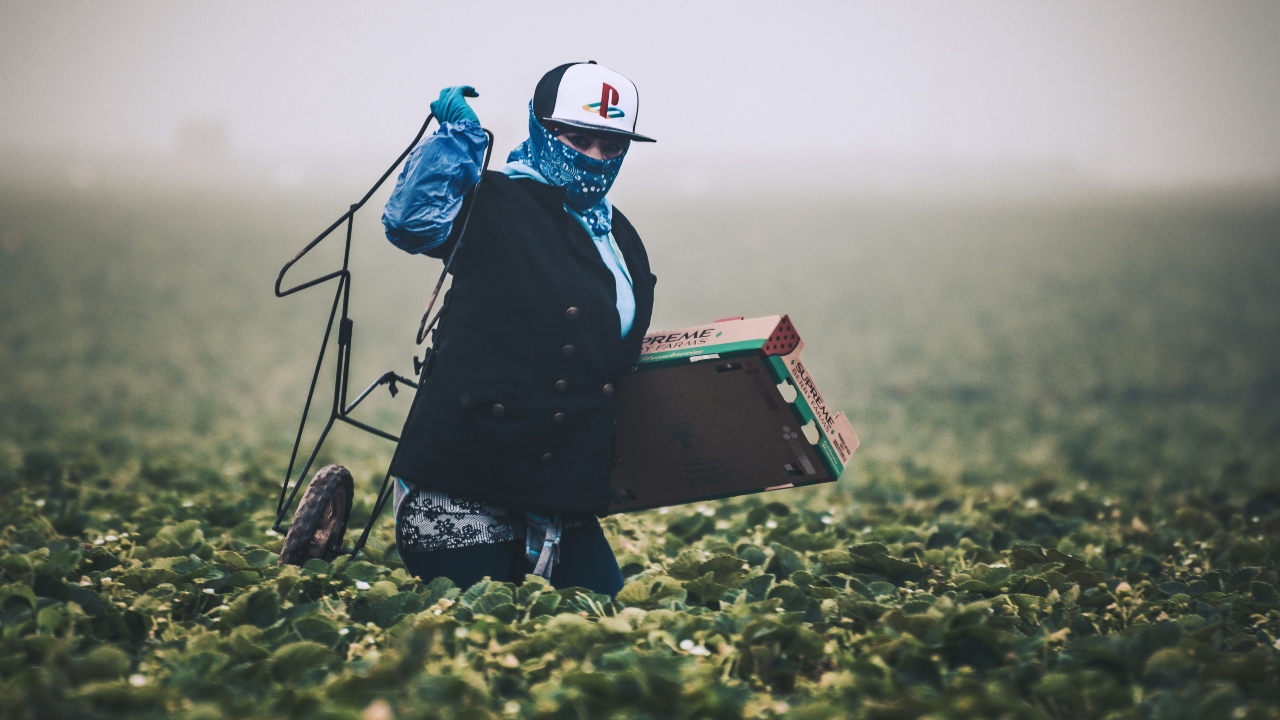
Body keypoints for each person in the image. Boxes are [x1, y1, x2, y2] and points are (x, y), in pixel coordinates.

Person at [381, 62, 657, 597]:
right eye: (579, 139)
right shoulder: (496, 202)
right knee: (483, 649)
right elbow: (412, 222)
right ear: (539, 129)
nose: (595, 158)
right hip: (465, 485)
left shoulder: (618, 233)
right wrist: (457, 141)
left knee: (609, 624)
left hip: (560, 498)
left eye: (611, 145)